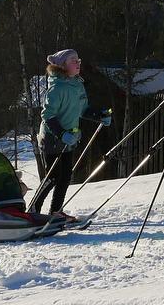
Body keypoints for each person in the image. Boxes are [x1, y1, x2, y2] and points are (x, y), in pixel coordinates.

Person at [31, 48, 111, 220]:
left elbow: (83, 109)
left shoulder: (77, 85)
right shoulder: (57, 88)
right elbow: (47, 115)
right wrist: (61, 134)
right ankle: (33, 210)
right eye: (73, 60)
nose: (78, 63)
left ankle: (56, 211)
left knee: (66, 175)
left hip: (69, 138)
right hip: (52, 138)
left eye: (78, 60)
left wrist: (100, 115)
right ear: (62, 66)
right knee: (53, 176)